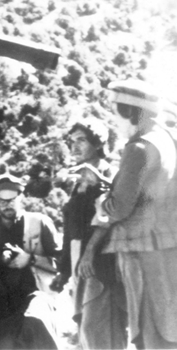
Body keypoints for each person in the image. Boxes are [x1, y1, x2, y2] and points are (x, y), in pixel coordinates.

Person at [96, 79, 177, 349]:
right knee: (169, 322)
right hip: (167, 246)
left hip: (141, 251)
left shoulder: (138, 148)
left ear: (130, 112)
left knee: (148, 327)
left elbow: (119, 208)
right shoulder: (168, 139)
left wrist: (103, 202)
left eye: (115, 111)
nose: (114, 120)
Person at [52, 118, 126, 349]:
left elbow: (108, 218)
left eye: (81, 140)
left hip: (101, 262)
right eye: (71, 141)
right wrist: (63, 272)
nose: (74, 146)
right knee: (87, 330)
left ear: (97, 143)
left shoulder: (110, 174)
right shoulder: (79, 181)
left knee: (101, 329)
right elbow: (71, 231)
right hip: (80, 262)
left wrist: (89, 254)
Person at [0, 174, 61, 349]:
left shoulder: (40, 223)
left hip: (36, 296)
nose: (8, 205)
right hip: (3, 307)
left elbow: (62, 264)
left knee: (35, 322)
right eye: (3, 201)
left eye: (12, 200)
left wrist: (30, 259)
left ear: (20, 197)